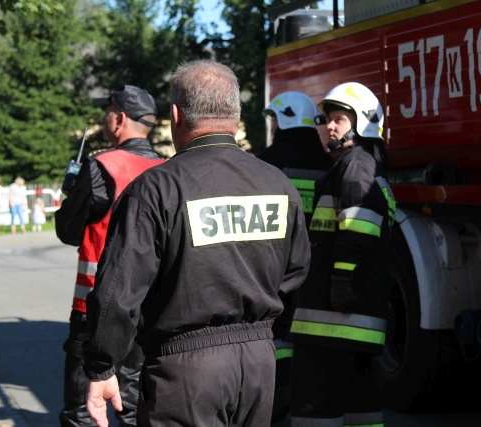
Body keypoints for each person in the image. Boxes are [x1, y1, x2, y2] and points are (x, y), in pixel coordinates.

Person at [83, 59, 311, 427]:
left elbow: (119, 291)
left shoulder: (156, 188)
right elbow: (297, 272)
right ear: (234, 116)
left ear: (176, 115)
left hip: (185, 371)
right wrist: (263, 334)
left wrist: (100, 365)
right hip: (258, 364)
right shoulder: (277, 184)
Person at [55, 84, 165, 427]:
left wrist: (70, 192)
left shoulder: (101, 166)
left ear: (119, 119)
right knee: (133, 407)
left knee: (85, 410)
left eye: (107, 113)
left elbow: (68, 231)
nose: (104, 120)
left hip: (95, 309)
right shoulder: (168, 170)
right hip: (148, 309)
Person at [289, 82, 396, 427]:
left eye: (339, 119)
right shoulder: (361, 164)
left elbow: (358, 227)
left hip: (332, 318)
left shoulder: (355, 166)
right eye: (326, 119)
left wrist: (341, 279)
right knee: (359, 405)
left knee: (313, 408)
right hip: (349, 320)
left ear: (363, 123)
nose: (329, 126)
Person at [258, 90, 334, 426]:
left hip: (276, 263)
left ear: (284, 119)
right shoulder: (326, 160)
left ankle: (277, 404)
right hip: (315, 261)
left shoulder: (271, 157)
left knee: (276, 334)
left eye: (274, 119)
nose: (272, 126)